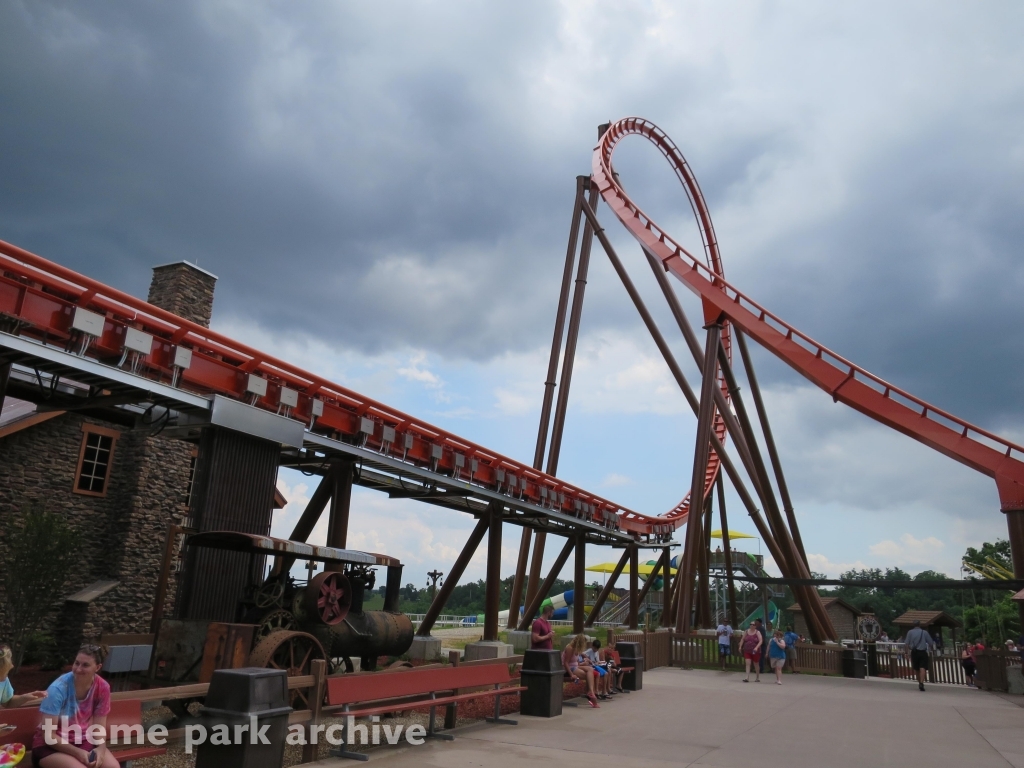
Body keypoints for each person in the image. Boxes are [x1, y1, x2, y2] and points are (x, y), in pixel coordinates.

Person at [33, 644, 117, 767]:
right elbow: (48, 736)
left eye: (85, 665)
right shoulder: (58, 689)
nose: (78, 669)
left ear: (98, 667)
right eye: (76, 663)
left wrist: (101, 748)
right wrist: (78, 753)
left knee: (113, 766)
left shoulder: (102, 687)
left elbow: (99, 727)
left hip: (82, 740)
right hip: (51, 746)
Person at [562, 635, 599, 708]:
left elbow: (577, 662)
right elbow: (566, 663)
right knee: (588, 676)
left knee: (590, 669)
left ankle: (590, 692)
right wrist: (571, 675)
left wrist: (585, 662)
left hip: (575, 666)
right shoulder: (570, 648)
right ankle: (591, 693)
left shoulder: (577, 649)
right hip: (569, 668)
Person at [904, 620, 936, 691]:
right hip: (923, 652)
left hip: (914, 652)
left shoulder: (910, 632)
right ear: (919, 624)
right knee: (923, 667)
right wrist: (931, 650)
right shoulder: (924, 632)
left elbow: (906, 644)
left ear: (913, 625)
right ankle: (921, 682)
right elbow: (931, 643)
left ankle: (919, 682)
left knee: (916, 668)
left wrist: (906, 653)